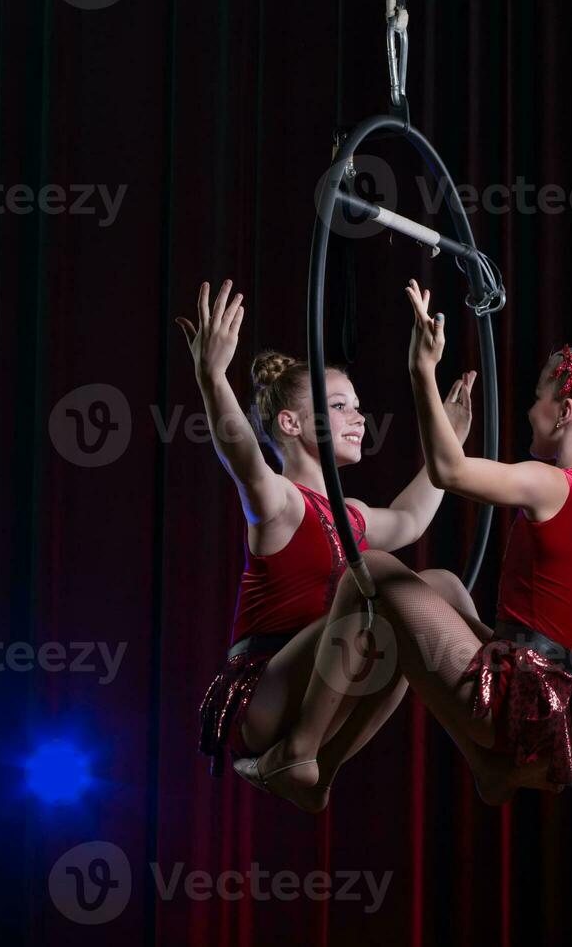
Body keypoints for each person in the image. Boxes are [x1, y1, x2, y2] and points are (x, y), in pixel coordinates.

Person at [238, 278, 572, 808]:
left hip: (515, 700)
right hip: (560, 711)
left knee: (374, 571)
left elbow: (449, 470)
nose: (528, 412)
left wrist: (421, 371)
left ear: (565, 412)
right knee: (444, 585)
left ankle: (302, 748)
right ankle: (487, 770)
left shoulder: (552, 484)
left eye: (539, 399)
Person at [178, 279, 481, 813]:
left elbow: (411, 517)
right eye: (340, 405)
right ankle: (298, 750)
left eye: (357, 405)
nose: (359, 416)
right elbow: (243, 459)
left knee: (438, 587)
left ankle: (481, 723)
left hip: (325, 677)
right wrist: (212, 378)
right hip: (261, 693)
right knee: (379, 588)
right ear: (290, 423)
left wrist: (448, 440)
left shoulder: (353, 517)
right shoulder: (281, 501)